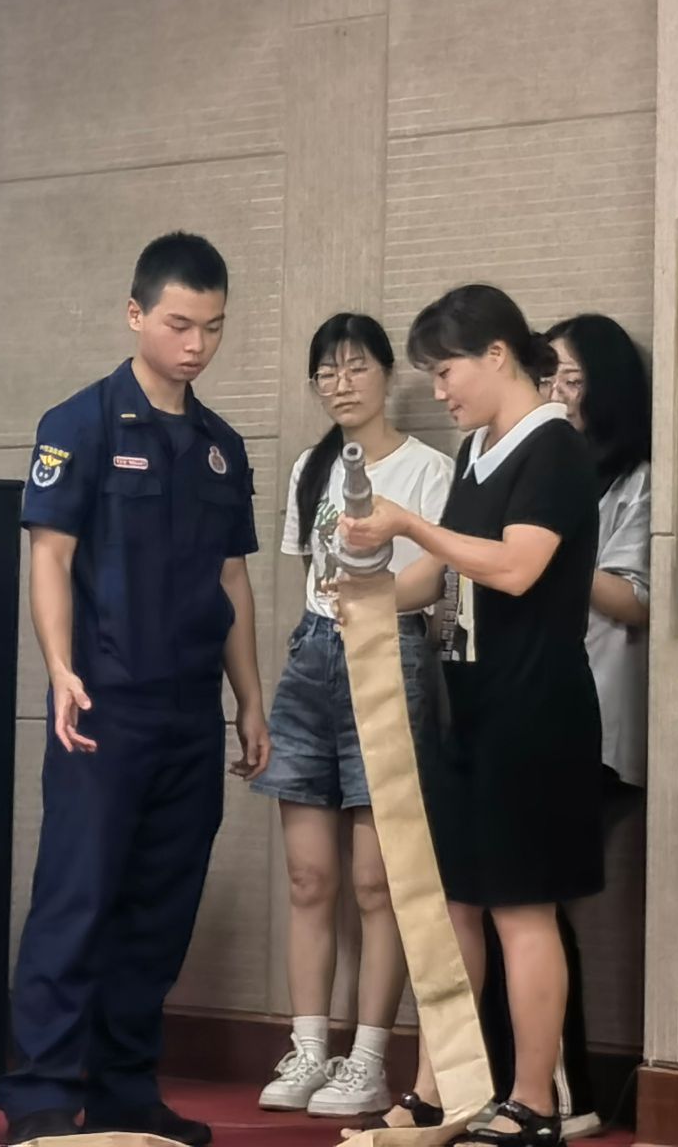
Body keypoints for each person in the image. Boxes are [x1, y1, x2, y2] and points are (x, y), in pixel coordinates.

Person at [0, 232, 271, 1147]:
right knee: (76, 898)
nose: (196, 345)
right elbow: (50, 557)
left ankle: (124, 1089)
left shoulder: (222, 447)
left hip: (191, 711)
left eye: (213, 328)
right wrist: (59, 667)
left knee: (161, 909)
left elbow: (233, 580)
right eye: (179, 324)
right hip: (103, 704)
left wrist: (250, 700)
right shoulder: (77, 424)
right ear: (135, 314)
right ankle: (41, 1092)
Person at [341, 285, 603, 1147]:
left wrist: (410, 524)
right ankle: (442, 1088)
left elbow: (516, 566)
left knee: (521, 910)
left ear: (497, 355)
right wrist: (371, 594)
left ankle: (533, 1102)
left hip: (537, 708)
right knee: (454, 906)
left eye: (446, 370)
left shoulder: (555, 448)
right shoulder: (478, 449)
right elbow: (442, 574)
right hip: (471, 705)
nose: (440, 390)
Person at [253, 315, 453, 1118]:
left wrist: (373, 599)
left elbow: (437, 577)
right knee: (310, 877)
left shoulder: (430, 469)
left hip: (390, 652)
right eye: (326, 373)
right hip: (312, 656)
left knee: (378, 881)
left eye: (355, 367)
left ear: (387, 375)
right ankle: (309, 1049)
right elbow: (310, 574)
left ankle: (368, 1058)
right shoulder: (311, 467)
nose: (341, 384)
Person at [471, 313, 652, 1140]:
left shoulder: (630, 480)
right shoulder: (523, 457)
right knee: (508, 898)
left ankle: (556, 1092)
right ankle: (516, 1085)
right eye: (549, 377)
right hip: (513, 699)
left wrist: (550, 550)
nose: (557, 393)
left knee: (531, 898)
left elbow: (636, 600)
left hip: (593, 710)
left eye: (572, 379)